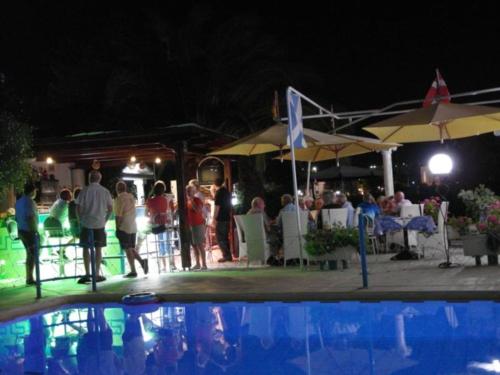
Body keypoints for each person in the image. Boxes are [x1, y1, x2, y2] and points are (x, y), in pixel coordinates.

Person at [75, 170, 113, 284]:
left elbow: (78, 208)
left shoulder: (84, 191)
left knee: (86, 249)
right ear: (99, 179)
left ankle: (87, 274)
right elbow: (110, 209)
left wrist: (80, 220)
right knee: (98, 249)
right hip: (99, 224)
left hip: (86, 223)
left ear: (89, 178)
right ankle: (96, 274)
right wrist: (104, 220)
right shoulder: (105, 191)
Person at [114, 181, 147, 278]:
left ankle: (133, 270)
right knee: (131, 248)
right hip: (133, 226)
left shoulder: (119, 199)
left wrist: (117, 228)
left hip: (124, 226)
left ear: (117, 189)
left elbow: (118, 216)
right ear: (125, 188)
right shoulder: (131, 197)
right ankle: (142, 262)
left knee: (128, 249)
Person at [146, 180, 176, 271]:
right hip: (166, 222)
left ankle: (164, 266)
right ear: (163, 189)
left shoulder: (150, 200)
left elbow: (146, 213)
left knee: (161, 244)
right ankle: (171, 264)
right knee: (168, 243)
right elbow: (172, 209)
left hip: (156, 225)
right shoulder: (166, 199)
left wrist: (152, 217)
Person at [15, 182, 39, 285]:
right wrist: (35, 232)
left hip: (21, 230)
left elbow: (16, 218)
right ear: (32, 191)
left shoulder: (19, 202)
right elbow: (30, 218)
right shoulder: (30, 202)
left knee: (29, 255)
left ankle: (29, 277)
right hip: (29, 231)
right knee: (33, 255)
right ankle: (30, 278)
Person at [187, 185, 207, 270]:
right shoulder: (186, 201)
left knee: (200, 245)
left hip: (198, 224)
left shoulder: (197, 200)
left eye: (190, 191)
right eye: (187, 191)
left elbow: (198, 210)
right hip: (190, 225)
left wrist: (191, 201)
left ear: (194, 192)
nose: (188, 193)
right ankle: (197, 263)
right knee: (194, 245)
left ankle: (204, 264)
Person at [212, 177, 232, 263]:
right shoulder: (227, 192)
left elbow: (217, 207)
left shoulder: (218, 193)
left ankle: (226, 256)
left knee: (220, 238)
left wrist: (214, 218)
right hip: (227, 217)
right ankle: (228, 255)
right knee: (225, 237)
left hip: (220, 218)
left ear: (215, 184)